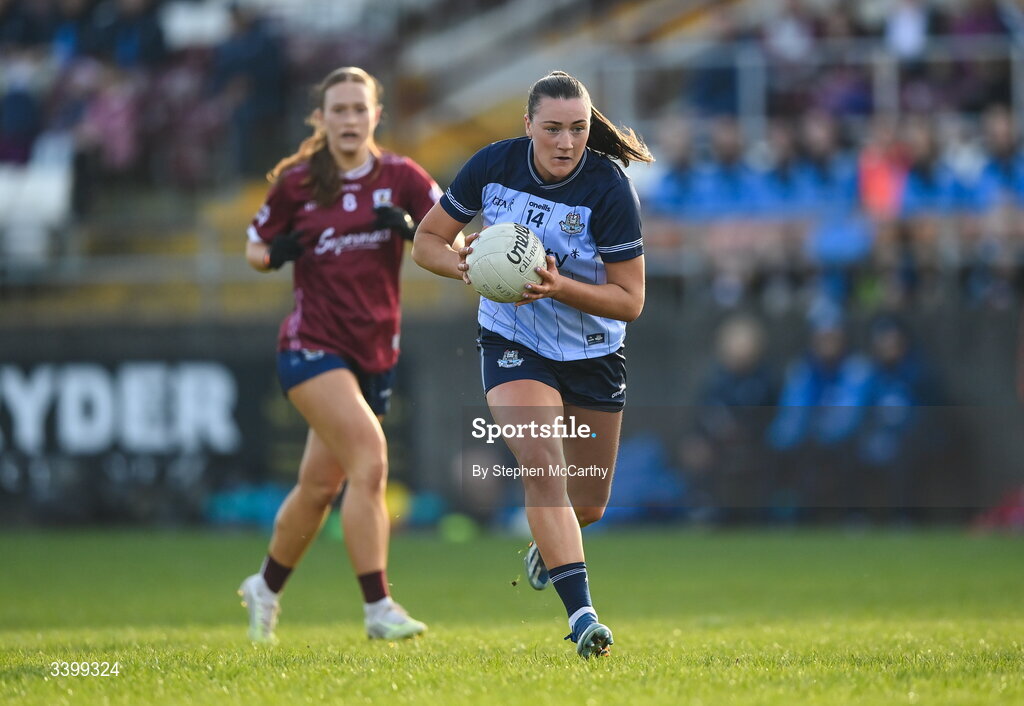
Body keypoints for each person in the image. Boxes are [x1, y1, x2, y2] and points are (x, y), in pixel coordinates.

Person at [412, 70, 653, 659]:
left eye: (577, 128)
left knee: (588, 502)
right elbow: (427, 242)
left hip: (594, 351)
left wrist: (557, 286)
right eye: (552, 129)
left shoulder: (609, 189)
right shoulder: (493, 166)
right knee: (542, 461)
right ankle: (584, 618)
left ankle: (550, 549)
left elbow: (631, 301)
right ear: (528, 127)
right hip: (512, 341)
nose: (566, 141)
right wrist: (464, 269)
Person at [238, 66, 443, 643]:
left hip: (373, 352)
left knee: (318, 489)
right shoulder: (299, 182)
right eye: (339, 110)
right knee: (371, 460)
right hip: (310, 346)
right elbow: (254, 246)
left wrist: (411, 230)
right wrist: (275, 253)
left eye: (359, 109)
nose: (350, 119)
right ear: (321, 119)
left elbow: (448, 234)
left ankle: (265, 586)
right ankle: (379, 609)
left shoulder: (402, 176)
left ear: (376, 115)